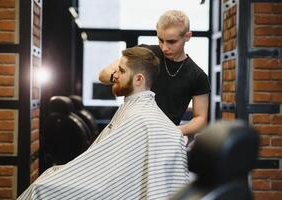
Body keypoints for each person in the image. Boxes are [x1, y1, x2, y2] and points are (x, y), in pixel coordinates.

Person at [18, 47, 189, 200]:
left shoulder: (141, 118)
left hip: (110, 187)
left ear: (138, 79)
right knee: (47, 178)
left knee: (41, 189)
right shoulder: (135, 109)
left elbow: (111, 180)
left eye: (121, 71)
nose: (114, 75)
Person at [99, 10, 210, 138]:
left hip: (162, 139)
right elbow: (103, 75)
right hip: (129, 130)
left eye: (171, 42)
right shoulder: (145, 54)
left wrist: (171, 131)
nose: (164, 47)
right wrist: (119, 78)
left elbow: (200, 120)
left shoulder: (198, 76)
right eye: (160, 40)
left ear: (187, 36)